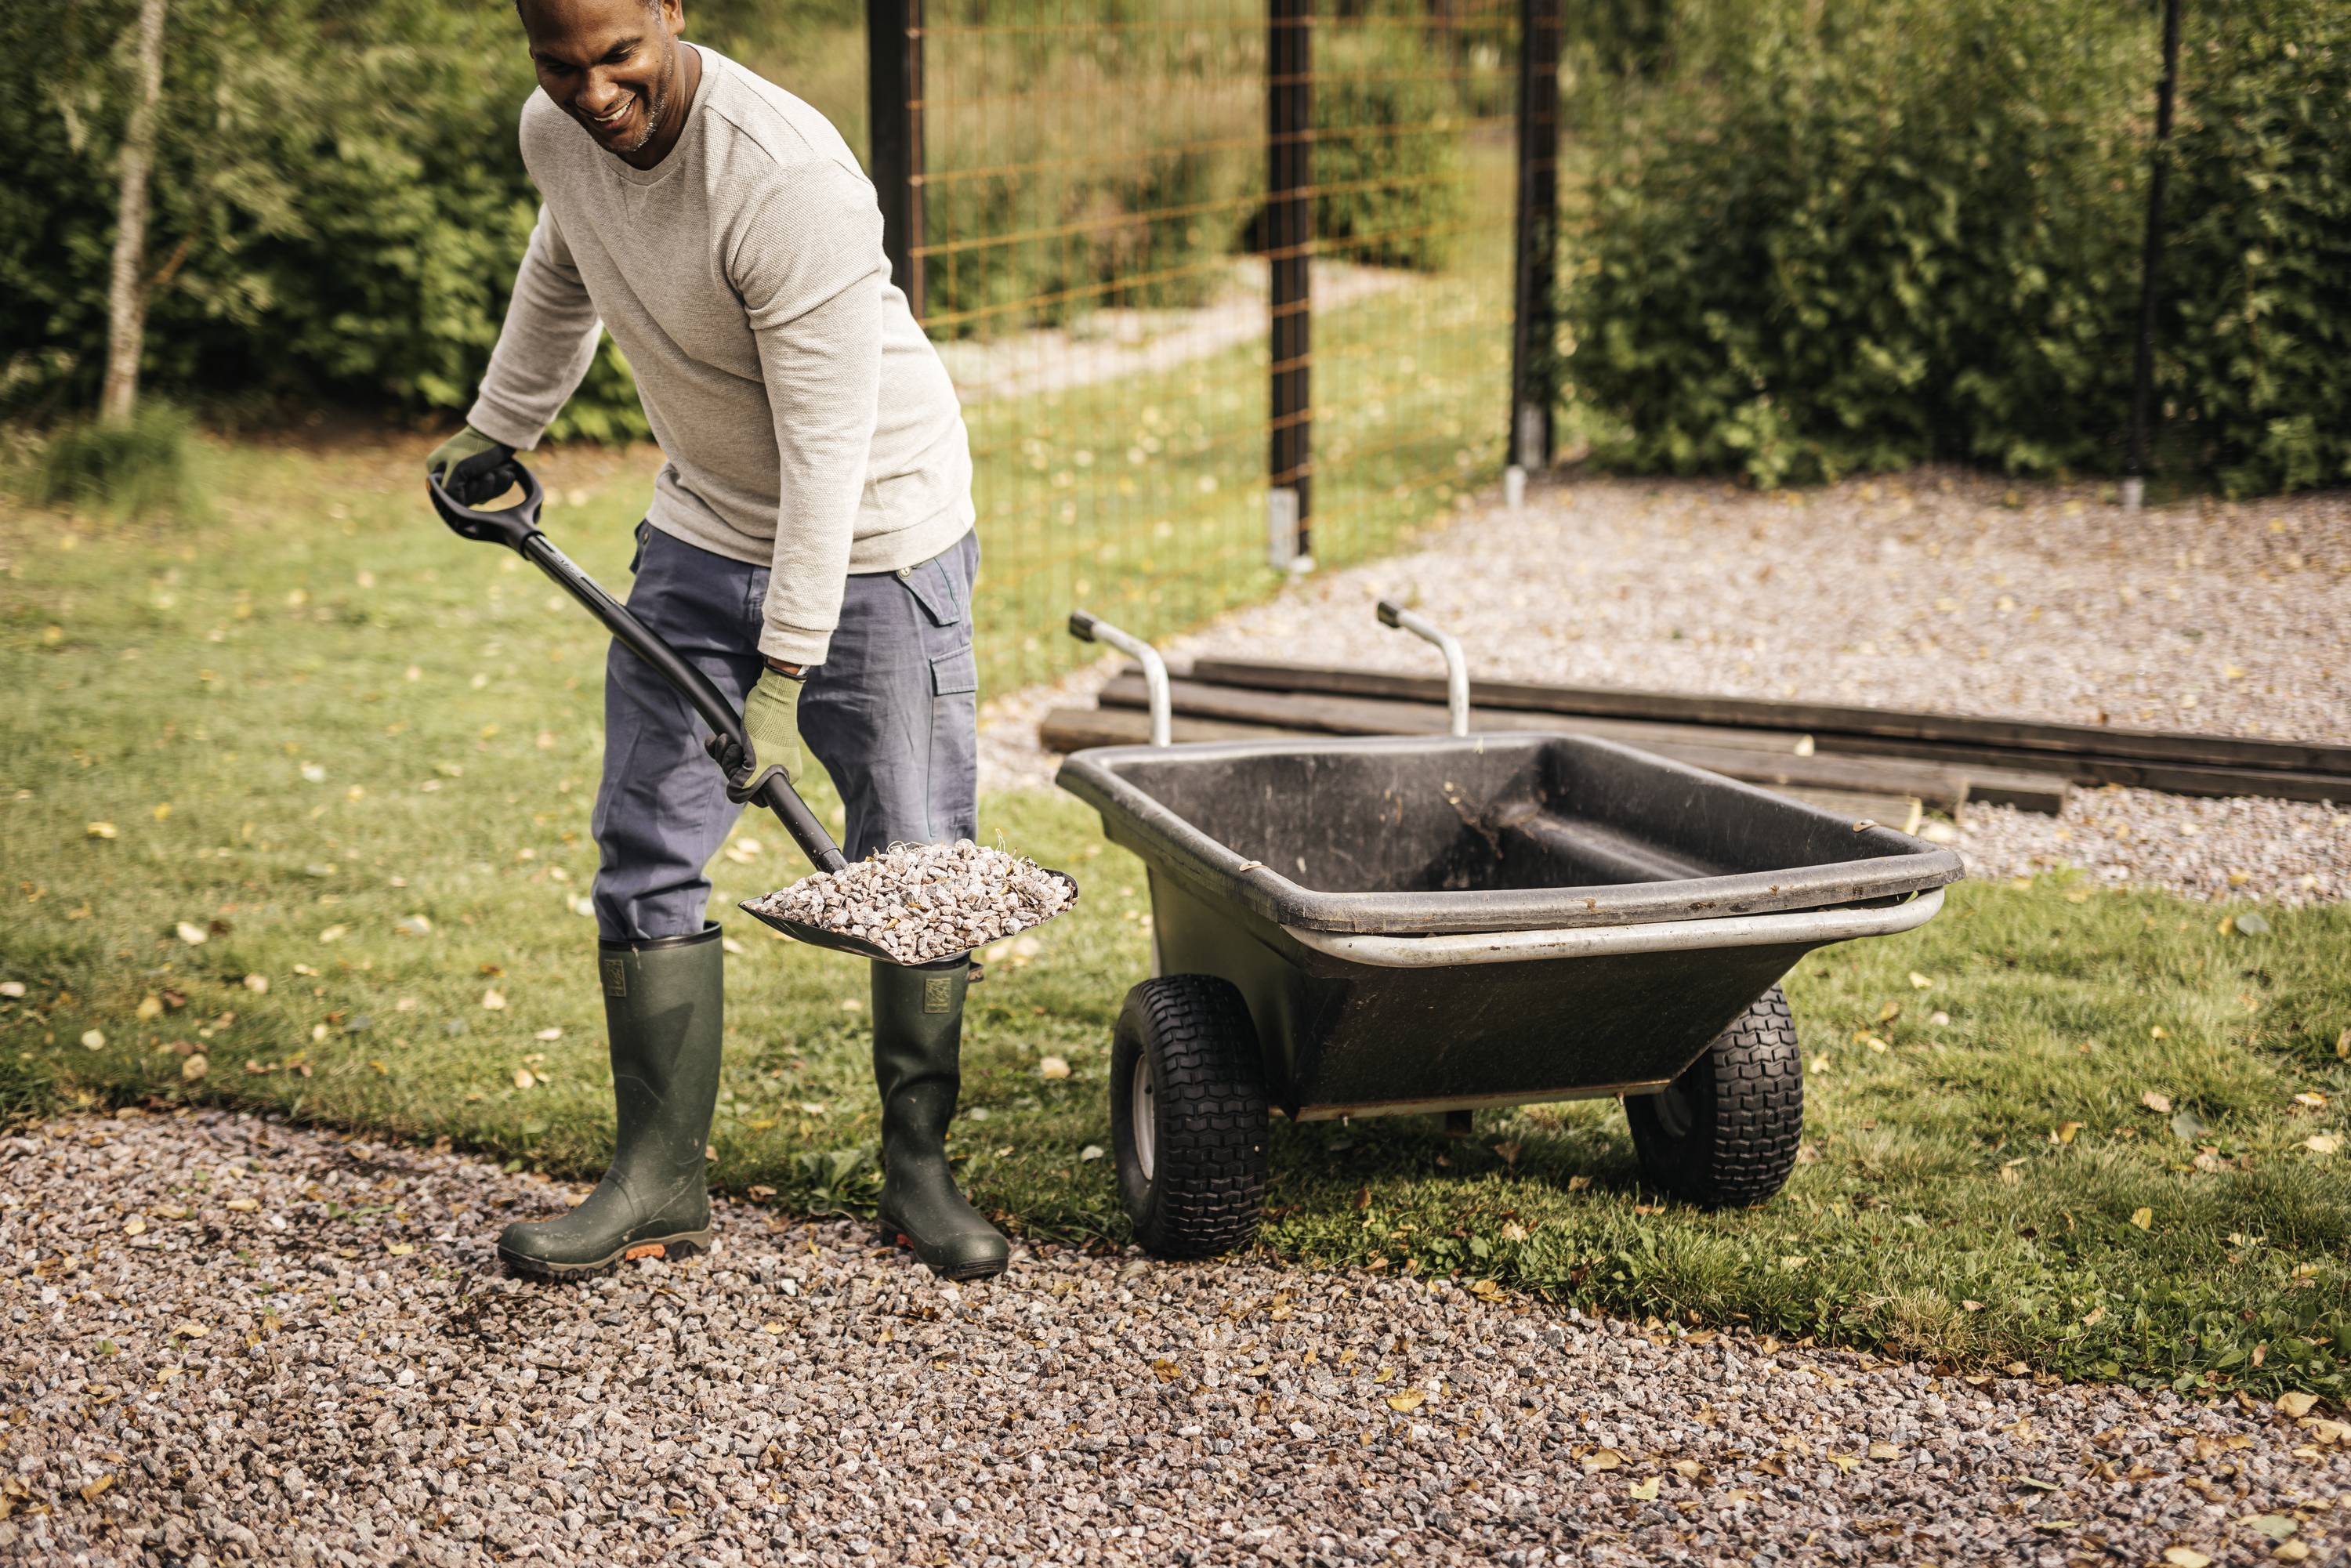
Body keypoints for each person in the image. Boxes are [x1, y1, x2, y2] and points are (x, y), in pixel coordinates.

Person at [427, 0, 1005, 1281]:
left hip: (877, 534)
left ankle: (920, 1168)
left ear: (671, 17)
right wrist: (500, 426)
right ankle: (657, 1176)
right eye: (558, 65)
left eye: (617, 56)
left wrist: (786, 660)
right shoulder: (558, 131)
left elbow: (828, 447)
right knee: (646, 836)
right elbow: (563, 266)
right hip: (701, 523)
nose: (590, 91)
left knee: (910, 850)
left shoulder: (785, 179)